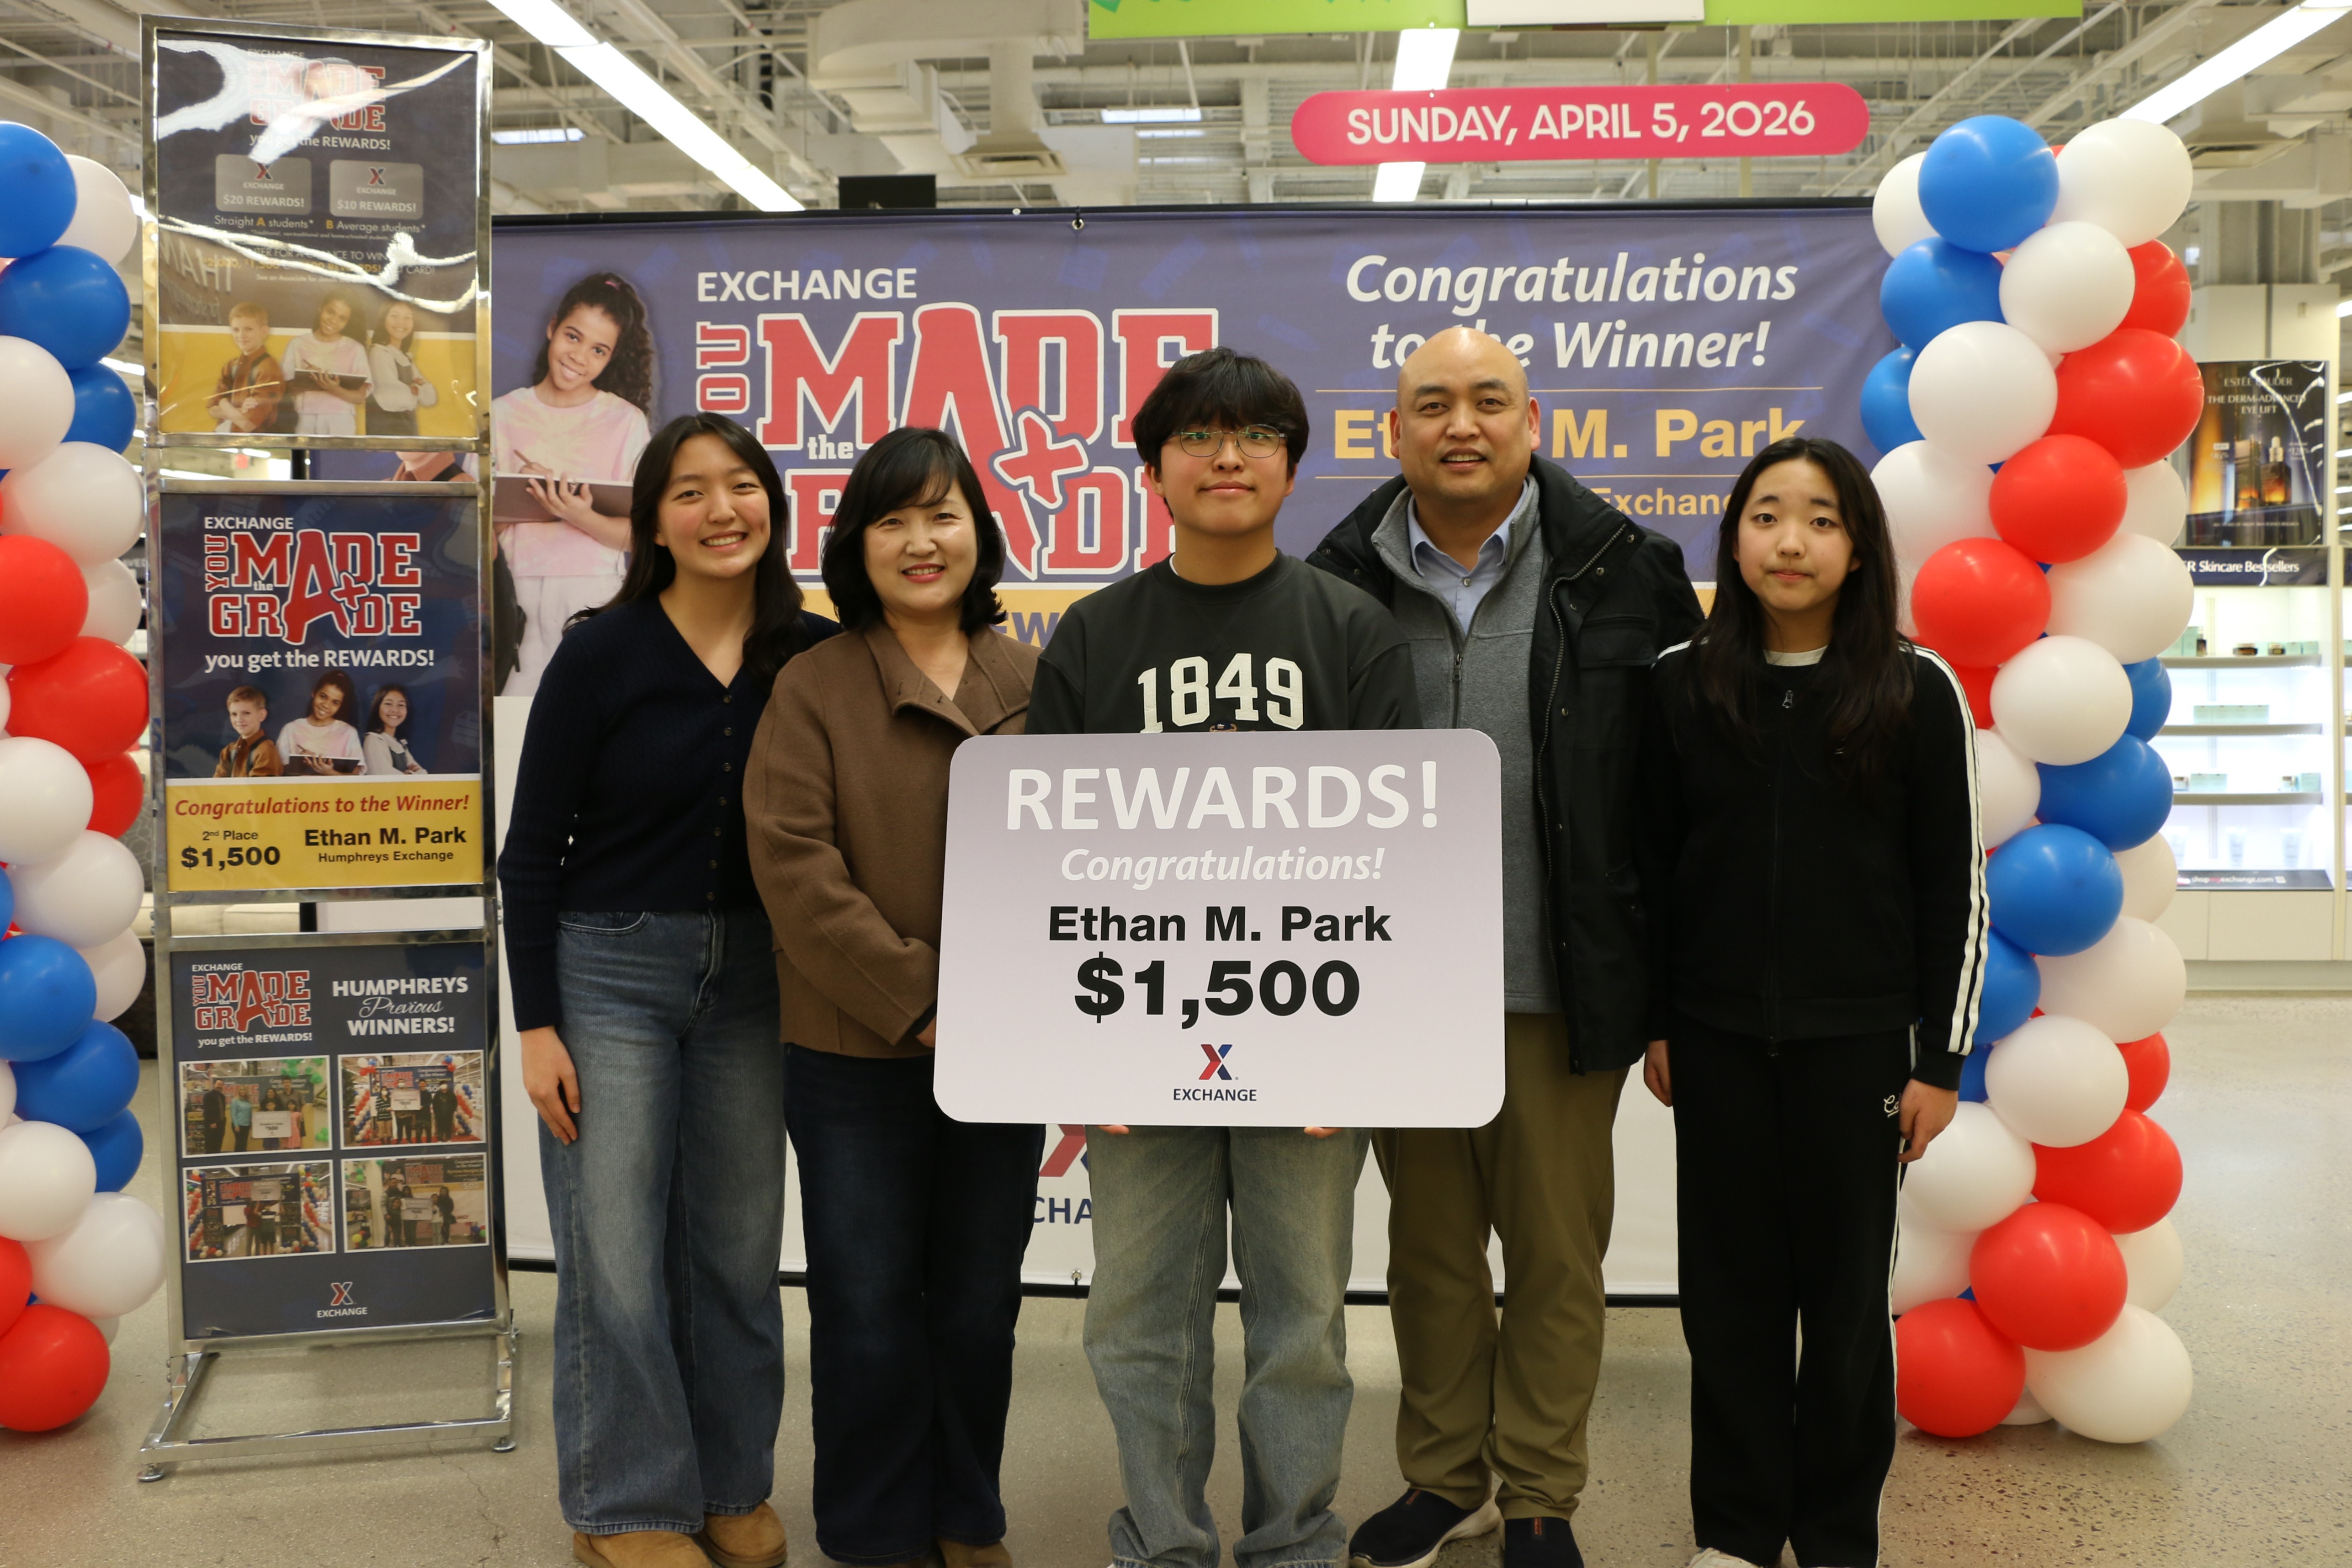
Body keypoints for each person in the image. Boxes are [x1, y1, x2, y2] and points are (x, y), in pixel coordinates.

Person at [1306, 325, 1704, 1568]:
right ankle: (1445, 1479)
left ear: (1533, 423)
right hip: (1393, 988)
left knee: (1554, 1257)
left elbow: (1676, 802)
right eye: (1432, 404)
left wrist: (1667, 996)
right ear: (1394, 432)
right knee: (1426, 1257)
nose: (1460, 424)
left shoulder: (1627, 570)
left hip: (1561, 980)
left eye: (1489, 400)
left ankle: (1538, 1491)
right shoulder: (1334, 581)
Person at [1027, 347, 1418, 1568]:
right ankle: (1164, 1541)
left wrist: (1357, 1052)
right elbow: (1050, 863)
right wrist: (1078, 1052)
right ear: (1154, 470)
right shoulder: (1094, 634)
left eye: (1256, 435)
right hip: (1136, 1040)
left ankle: (1296, 1540)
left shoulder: (1351, 628)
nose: (1227, 456)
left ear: (1291, 467)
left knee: (1304, 1321)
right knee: (1139, 1316)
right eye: (1196, 435)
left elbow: (1397, 858)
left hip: (1311, 1042)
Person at [1635, 437, 1980, 1568]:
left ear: (1858, 548)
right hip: (1715, 1041)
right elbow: (1653, 863)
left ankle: (1834, 1532)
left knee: (1841, 1309)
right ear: (1733, 538)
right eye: (1766, 515)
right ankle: (1735, 1530)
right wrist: (1658, 1019)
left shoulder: (1913, 687)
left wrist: (1939, 1060)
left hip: (1861, 1048)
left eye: (1821, 519)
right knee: (1726, 1301)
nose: (1791, 542)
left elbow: (1952, 883)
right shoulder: (1680, 679)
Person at [498, 410, 835, 1568]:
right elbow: (531, 851)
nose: (720, 510)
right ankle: (627, 1504)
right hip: (608, 970)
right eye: (689, 491)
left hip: (760, 977)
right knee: (615, 1252)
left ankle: (729, 1481)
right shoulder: (603, 652)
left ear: (772, 507)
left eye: (741, 486)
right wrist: (535, 1024)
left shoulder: (813, 654)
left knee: (736, 1253)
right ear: (651, 521)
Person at [745, 428, 1042, 1568]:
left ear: (979, 532)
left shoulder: (1039, 681)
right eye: (893, 519)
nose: (922, 541)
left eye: (943, 514)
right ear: (856, 546)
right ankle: (873, 1531)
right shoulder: (814, 683)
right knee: (866, 1304)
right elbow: (794, 865)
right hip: (852, 1052)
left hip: (1005, 1048)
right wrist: (921, 998)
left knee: (978, 1301)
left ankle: (966, 1514)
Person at [491, 273, 655, 696]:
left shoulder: (625, 421)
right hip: (516, 591)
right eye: (573, 336)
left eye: (598, 350)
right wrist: (516, 499)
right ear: (553, 327)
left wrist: (578, 515)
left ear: (611, 358)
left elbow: (642, 534)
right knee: (517, 722)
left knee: (596, 719)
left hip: (594, 593)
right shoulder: (502, 414)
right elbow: (472, 533)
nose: (579, 357)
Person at [279, 291, 373, 436]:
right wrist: (308, 379)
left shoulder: (355, 349)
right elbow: (285, 390)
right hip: (305, 417)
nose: (333, 321)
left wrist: (333, 388)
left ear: (348, 322)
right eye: (330, 312)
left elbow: (360, 397)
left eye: (342, 318)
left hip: (341, 421)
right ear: (321, 308)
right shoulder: (297, 344)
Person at [207, 302, 284, 435]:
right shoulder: (231, 366)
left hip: (256, 440)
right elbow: (212, 409)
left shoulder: (268, 368)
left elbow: (248, 424)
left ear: (264, 332)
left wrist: (224, 403)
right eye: (236, 330)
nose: (241, 336)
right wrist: (238, 411)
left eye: (248, 329)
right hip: (225, 438)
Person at [366, 300, 434, 437]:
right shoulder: (378, 352)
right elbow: (392, 398)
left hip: (408, 429)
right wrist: (418, 391)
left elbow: (431, 398)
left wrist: (412, 390)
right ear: (384, 319)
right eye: (395, 316)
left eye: (407, 317)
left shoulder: (405, 357)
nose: (401, 323)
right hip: (386, 432)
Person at [279, 670, 366, 775]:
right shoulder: (291, 729)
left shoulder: (348, 733)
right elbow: (277, 774)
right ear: (314, 692)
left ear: (341, 706)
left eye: (335, 703)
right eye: (323, 697)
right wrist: (299, 764)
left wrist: (330, 773)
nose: (326, 705)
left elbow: (356, 775)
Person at [215, 686, 285, 777]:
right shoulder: (229, 751)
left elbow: (258, 786)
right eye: (234, 714)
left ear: (262, 715)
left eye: (246, 713)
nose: (239, 720)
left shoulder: (266, 750)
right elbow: (217, 783)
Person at [364, 685, 429, 776]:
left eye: (401, 705)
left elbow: (423, 774)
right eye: (388, 704)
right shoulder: (374, 740)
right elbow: (383, 776)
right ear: (378, 707)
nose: (395, 710)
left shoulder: (400, 744)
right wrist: (409, 775)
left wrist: (407, 775)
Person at [199, 1078, 227, 1155]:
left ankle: (216, 1160)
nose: (220, 1086)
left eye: (222, 1085)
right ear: (214, 1085)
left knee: (218, 1144)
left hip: (221, 1125)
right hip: (211, 1124)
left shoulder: (222, 1097)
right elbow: (207, 1110)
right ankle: (209, 1161)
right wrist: (212, 1122)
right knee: (210, 1145)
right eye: (218, 1084)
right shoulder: (208, 1096)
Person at [228, 1086, 252, 1153]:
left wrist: (251, 1124)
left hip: (247, 1125)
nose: (243, 1091)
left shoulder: (248, 1101)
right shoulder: (235, 1101)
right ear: (239, 1092)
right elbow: (233, 1114)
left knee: (245, 1142)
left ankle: (244, 1156)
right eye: (241, 1090)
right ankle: (237, 1156)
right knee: (239, 1142)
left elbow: (250, 1113)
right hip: (238, 1125)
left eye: (244, 1090)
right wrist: (236, 1125)